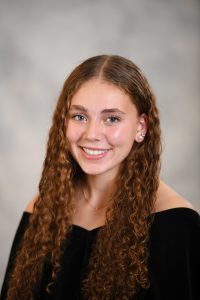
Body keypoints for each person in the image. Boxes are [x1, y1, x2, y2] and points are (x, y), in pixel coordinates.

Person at [1, 55, 199, 300]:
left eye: (112, 119)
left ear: (141, 127)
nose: (92, 134)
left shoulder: (177, 224)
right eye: (80, 116)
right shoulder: (43, 209)